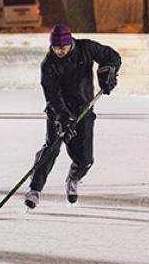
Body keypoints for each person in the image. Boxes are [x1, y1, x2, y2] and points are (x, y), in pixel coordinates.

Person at [24, 24, 122, 209]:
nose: (59, 51)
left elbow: (112, 56)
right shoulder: (48, 64)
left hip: (84, 109)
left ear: (71, 43)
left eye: (63, 47)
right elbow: (52, 95)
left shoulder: (86, 48)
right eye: (55, 47)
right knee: (51, 148)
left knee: (85, 159)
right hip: (58, 111)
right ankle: (35, 189)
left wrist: (108, 71)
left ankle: (74, 178)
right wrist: (62, 117)